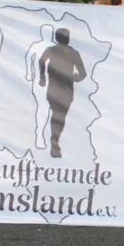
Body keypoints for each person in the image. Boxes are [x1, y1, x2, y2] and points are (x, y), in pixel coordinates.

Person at [39, 28, 87, 158]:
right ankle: (55, 143)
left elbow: (42, 61)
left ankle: (55, 141)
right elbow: (82, 74)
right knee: (59, 115)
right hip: (60, 88)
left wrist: (43, 77)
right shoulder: (70, 52)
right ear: (67, 38)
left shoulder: (55, 51)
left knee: (58, 115)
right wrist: (73, 77)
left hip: (60, 88)